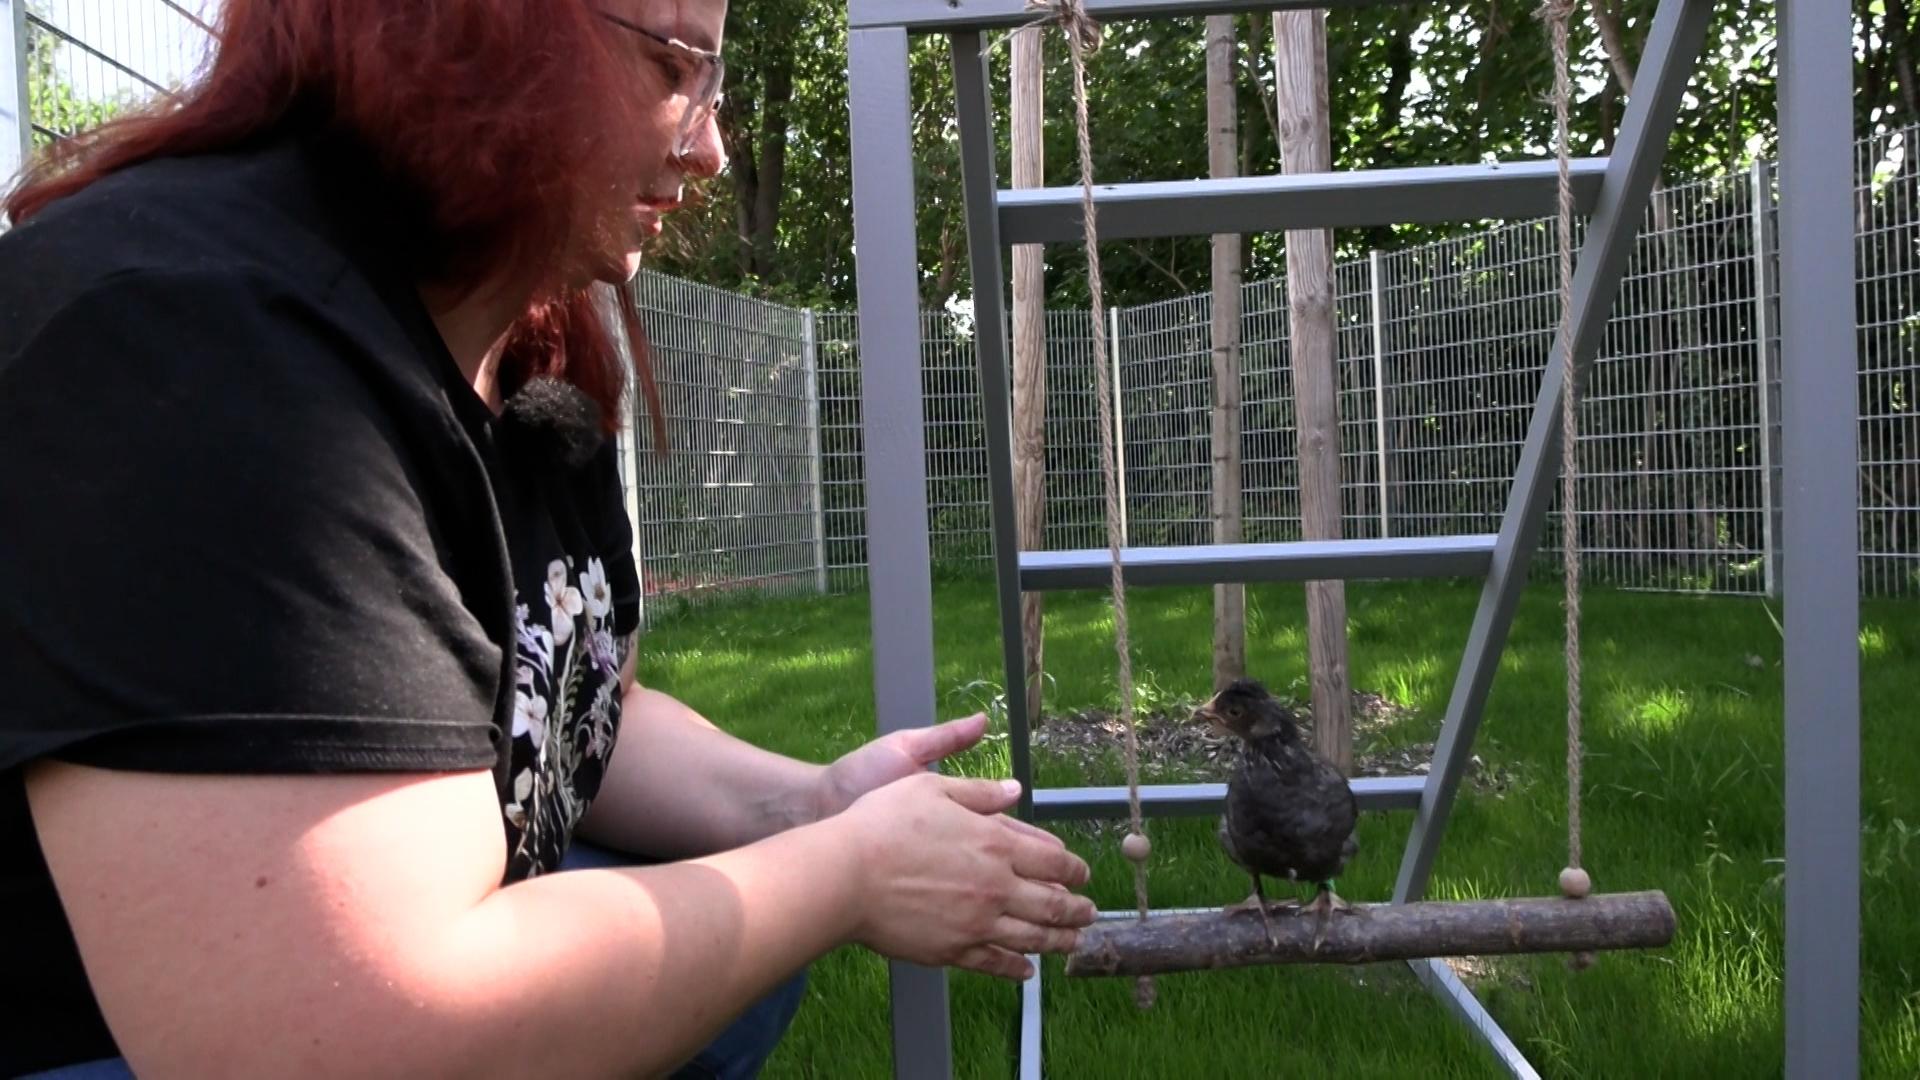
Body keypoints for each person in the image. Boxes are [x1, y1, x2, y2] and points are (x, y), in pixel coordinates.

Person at [0, 1, 1097, 1076]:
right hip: (117, 1042)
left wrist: (806, 808)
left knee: (738, 945)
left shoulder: (516, 335)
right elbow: (344, 1039)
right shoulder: (192, 343)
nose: (711, 147)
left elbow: (568, 708)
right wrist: (843, 875)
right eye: (675, 70)